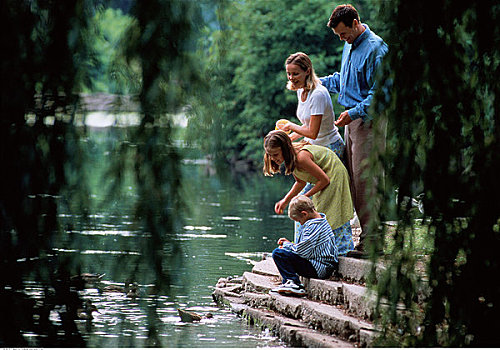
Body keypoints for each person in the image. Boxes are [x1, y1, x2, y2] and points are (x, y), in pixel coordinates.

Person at [319, 4, 388, 257]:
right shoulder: (349, 45)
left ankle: (372, 243)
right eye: (338, 36)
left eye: (343, 34)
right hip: (351, 120)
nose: (341, 39)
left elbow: (381, 95)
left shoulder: (377, 49)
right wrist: (315, 82)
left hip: (367, 121)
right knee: (350, 179)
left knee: (365, 180)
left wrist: (353, 113)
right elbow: (343, 81)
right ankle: (363, 238)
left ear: (356, 23)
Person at [263, 130, 354, 256]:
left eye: (276, 154)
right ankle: (307, 250)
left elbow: (324, 180)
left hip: (334, 175)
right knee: (309, 211)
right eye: (270, 155)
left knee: (328, 213)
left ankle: (342, 250)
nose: (273, 158)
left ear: (285, 148)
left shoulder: (301, 157)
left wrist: (305, 196)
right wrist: (285, 201)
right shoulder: (292, 160)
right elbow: (300, 182)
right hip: (324, 178)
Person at [278, 52, 345, 159]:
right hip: (312, 144)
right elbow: (308, 124)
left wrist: (291, 126)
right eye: (288, 74)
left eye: (295, 74)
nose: (291, 77)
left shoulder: (318, 94)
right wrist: (290, 138)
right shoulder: (300, 90)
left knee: (299, 161)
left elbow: (312, 132)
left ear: (307, 71)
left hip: (329, 146)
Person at [270, 195, 339, 297]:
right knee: (284, 252)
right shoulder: (320, 221)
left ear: (304, 214)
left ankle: (294, 284)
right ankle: (287, 283)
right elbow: (307, 247)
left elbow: (302, 252)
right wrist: (291, 244)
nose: (300, 224)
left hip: (319, 268)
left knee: (278, 254)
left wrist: (287, 245)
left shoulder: (313, 226)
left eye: (299, 221)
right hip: (322, 265)